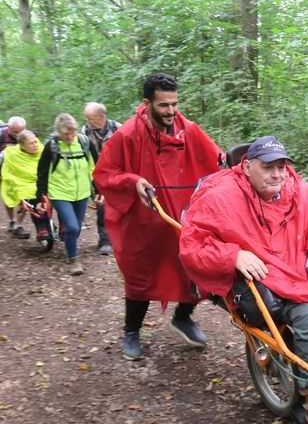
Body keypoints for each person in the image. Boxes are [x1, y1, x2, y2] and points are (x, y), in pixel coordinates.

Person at [179, 136, 308, 424]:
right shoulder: (222, 196)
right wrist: (233, 255)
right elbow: (194, 242)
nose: (277, 174)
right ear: (248, 166)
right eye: (268, 167)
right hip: (267, 282)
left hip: (301, 272)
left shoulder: (301, 192)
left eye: (282, 166)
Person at [93, 72, 224, 361]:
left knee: (194, 271)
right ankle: (132, 331)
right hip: (143, 222)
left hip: (181, 218)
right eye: (164, 105)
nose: (171, 111)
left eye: (175, 104)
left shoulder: (187, 129)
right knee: (139, 278)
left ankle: (183, 317)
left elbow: (217, 160)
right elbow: (104, 174)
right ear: (147, 103)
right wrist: (132, 180)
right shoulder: (127, 134)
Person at [37, 114, 98, 275]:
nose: (70, 137)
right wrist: (41, 196)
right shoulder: (52, 146)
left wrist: (98, 190)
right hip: (60, 192)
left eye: (72, 133)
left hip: (82, 193)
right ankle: (73, 259)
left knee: (75, 229)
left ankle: (68, 242)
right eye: (66, 134)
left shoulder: (85, 142)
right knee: (72, 226)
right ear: (58, 132)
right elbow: (42, 171)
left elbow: (97, 167)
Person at [81, 102, 122, 256]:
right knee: (102, 206)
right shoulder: (85, 131)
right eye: (87, 118)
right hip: (97, 174)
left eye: (90, 118)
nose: (88, 122)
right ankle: (105, 241)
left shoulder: (118, 128)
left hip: (118, 173)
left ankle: (121, 238)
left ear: (102, 117)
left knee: (121, 207)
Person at [1, 130, 49, 239]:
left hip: (41, 181)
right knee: (29, 194)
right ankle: (36, 227)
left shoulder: (43, 150)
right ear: (22, 146)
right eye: (31, 143)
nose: (35, 145)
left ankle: (58, 226)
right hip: (21, 183)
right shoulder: (11, 153)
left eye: (35, 142)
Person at [0, 116, 27, 233]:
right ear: (9, 128)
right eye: (16, 132)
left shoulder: (27, 136)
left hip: (22, 170)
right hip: (4, 169)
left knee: (26, 196)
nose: (18, 135)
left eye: (21, 131)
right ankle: (12, 219)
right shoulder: (1, 136)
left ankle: (18, 224)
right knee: (8, 195)